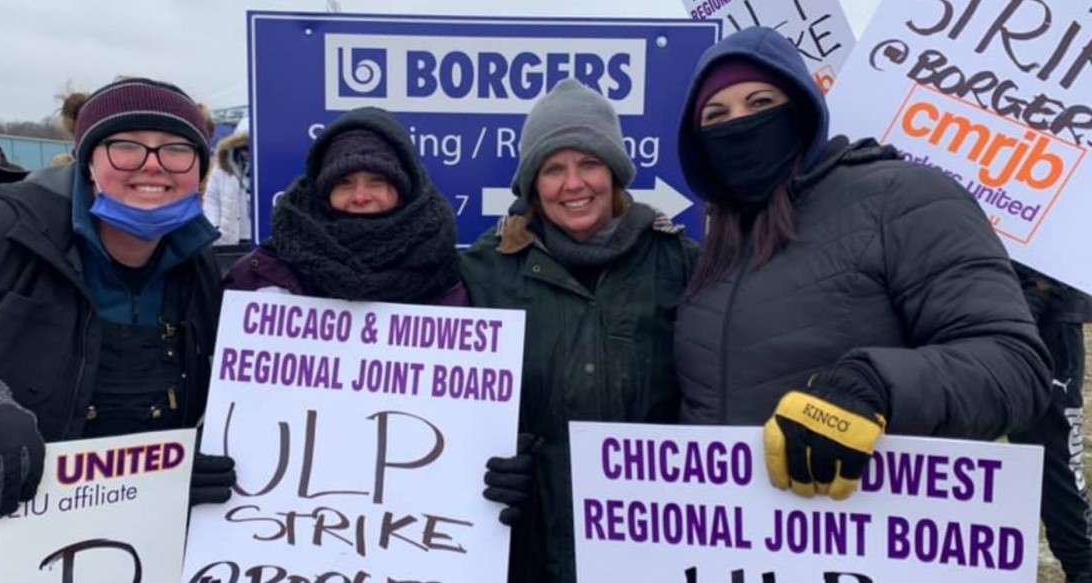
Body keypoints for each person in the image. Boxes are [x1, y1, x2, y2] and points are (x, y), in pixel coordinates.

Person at [673, 27, 1050, 501]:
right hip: (728, 545)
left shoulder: (903, 197)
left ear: (804, 110)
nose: (740, 123)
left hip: (864, 538)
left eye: (761, 103)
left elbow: (1015, 365)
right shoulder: (714, 245)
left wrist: (876, 385)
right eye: (717, 114)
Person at [0, 77, 234, 516]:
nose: (153, 165)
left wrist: (169, 474)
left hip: (122, 540)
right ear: (87, 160)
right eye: (125, 145)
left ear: (200, 169)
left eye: (177, 149)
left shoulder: (197, 263)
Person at [462, 79, 700, 583]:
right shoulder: (485, 269)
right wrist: (478, 463)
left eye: (589, 163)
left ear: (613, 172)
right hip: (525, 550)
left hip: (648, 548)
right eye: (553, 169)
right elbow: (435, 400)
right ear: (532, 185)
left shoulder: (679, 263)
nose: (573, 184)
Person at [225, 106, 464, 306]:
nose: (360, 196)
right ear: (323, 193)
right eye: (344, 183)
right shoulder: (260, 275)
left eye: (377, 181)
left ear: (405, 191)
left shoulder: (451, 276)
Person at [1012, 263, 1092, 583]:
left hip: (1047, 324)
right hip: (960, 312)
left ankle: (1083, 567)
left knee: (1054, 457)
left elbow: (1069, 242)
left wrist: (1033, 298)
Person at [205, 119, 253, 246]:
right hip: (230, 240)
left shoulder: (272, 166)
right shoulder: (223, 167)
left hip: (265, 240)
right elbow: (211, 198)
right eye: (244, 147)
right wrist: (214, 227)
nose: (247, 152)